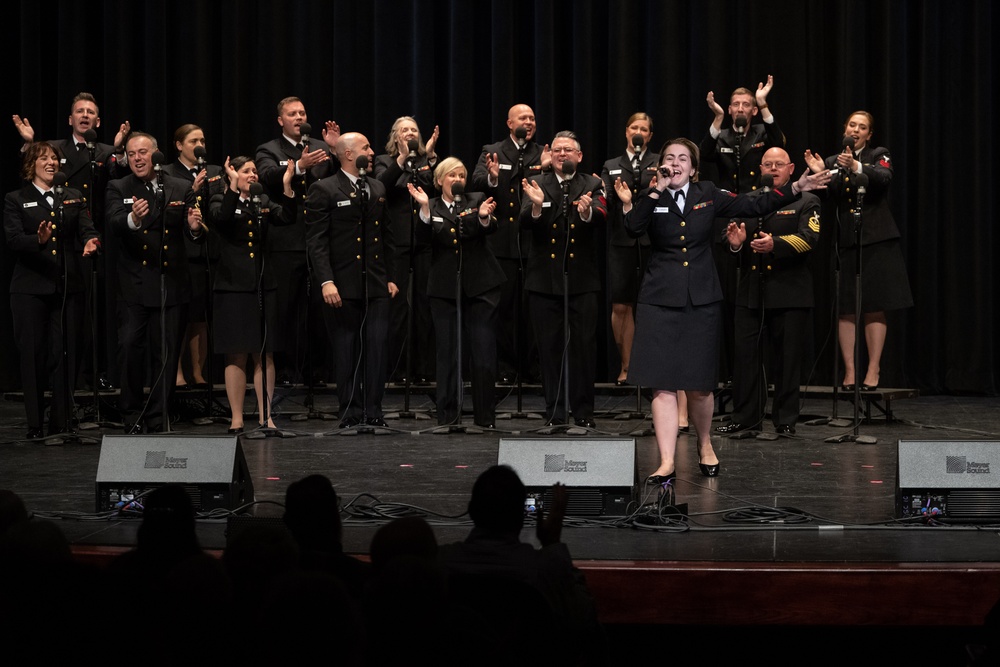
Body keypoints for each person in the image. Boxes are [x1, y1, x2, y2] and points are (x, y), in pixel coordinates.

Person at [618, 138, 829, 481]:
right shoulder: (650, 195)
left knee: (700, 386)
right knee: (661, 385)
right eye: (669, 158)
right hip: (659, 298)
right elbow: (632, 227)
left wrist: (796, 188)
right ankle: (667, 460)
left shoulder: (708, 193)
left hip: (701, 299)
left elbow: (752, 202)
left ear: (694, 167)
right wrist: (655, 190)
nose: (675, 163)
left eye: (682, 158)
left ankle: (704, 443)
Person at [13, 92, 131, 391]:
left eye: (91, 112)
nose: (85, 115)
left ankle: (96, 375)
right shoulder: (54, 148)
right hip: (59, 241)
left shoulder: (106, 151)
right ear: (70, 119)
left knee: (92, 314)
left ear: (98, 121)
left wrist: (119, 151)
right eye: (79, 111)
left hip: (94, 238)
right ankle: (68, 384)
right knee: (62, 319)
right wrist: (29, 143)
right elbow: (32, 168)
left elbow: (120, 177)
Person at [716, 147, 821, 437]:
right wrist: (735, 243)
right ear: (760, 168)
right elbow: (727, 239)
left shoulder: (806, 200)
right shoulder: (747, 200)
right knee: (746, 358)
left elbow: (810, 239)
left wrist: (777, 245)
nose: (773, 169)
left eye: (779, 164)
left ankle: (785, 419)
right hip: (751, 290)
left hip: (790, 291)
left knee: (787, 360)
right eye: (768, 164)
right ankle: (746, 417)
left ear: (790, 169)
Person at [805, 111, 913, 391]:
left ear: (869, 134)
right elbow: (825, 197)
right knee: (846, 308)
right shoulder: (832, 161)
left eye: (862, 127)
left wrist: (856, 165)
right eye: (852, 125)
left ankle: (873, 370)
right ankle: (850, 373)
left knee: (874, 306)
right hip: (846, 241)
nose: (856, 130)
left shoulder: (879, 153)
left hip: (877, 238)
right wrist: (820, 174)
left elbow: (883, 179)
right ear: (845, 128)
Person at [106, 132, 203, 432]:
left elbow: (192, 233)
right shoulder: (118, 186)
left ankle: (159, 416)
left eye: (143, 152)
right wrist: (133, 220)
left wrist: (193, 228)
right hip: (134, 284)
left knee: (167, 354)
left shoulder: (180, 186)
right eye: (132, 153)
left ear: (156, 155)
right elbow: (113, 221)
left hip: (170, 283)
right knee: (130, 348)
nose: (137, 158)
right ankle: (132, 414)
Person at [4, 142, 100, 441]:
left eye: (55, 158)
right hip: (30, 289)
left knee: (66, 353)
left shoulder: (73, 196)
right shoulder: (16, 198)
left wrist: (91, 241)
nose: (51, 163)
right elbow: (14, 240)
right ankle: (35, 424)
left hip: (67, 287)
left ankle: (62, 421)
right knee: (33, 354)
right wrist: (39, 239)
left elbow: (88, 228)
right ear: (30, 165)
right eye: (44, 158)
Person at [305, 133, 399, 428]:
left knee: (376, 348)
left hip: (375, 283)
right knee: (346, 348)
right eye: (366, 147)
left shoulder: (377, 186)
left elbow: (388, 237)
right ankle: (349, 410)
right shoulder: (325, 189)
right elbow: (317, 242)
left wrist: (392, 277)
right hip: (342, 284)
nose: (372, 152)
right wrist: (326, 281)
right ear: (347, 154)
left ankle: (374, 410)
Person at [520, 131, 606, 428]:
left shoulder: (592, 183)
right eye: (557, 150)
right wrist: (535, 206)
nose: (562, 154)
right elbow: (522, 222)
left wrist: (586, 214)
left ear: (579, 156)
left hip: (582, 280)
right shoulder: (537, 183)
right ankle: (555, 412)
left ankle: (584, 412)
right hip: (544, 280)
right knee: (549, 348)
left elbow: (603, 214)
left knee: (584, 347)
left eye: (568, 150)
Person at [407, 157, 501, 428]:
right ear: (439, 180)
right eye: (452, 175)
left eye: (461, 175)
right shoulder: (431, 205)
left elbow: (490, 227)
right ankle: (447, 416)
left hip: (482, 286)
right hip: (445, 289)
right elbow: (423, 242)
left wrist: (482, 218)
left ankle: (486, 418)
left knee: (483, 353)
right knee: (447, 353)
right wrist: (424, 211)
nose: (458, 180)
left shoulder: (477, 199)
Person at [255, 97, 340, 387]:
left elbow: (338, 178)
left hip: (320, 238)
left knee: (319, 308)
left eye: (302, 112)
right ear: (281, 120)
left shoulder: (320, 146)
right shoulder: (269, 149)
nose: (298, 117)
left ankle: (317, 370)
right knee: (288, 309)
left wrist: (335, 149)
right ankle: (288, 370)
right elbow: (266, 177)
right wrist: (299, 167)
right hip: (286, 240)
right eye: (292, 114)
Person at [210, 155, 295, 434]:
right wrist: (233, 187)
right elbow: (222, 220)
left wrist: (287, 187)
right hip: (232, 286)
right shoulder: (219, 198)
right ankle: (236, 417)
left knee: (264, 351)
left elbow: (287, 217)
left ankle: (265, 416)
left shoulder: (264, 201)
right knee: (236, 352)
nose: (253, 175)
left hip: (262, 285)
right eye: (246, 171)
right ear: (232, 174)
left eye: (255, 171)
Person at [471, 104, 550, 383]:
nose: (528, 122)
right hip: (502, 242)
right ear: (509, 123)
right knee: (503, 309)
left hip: (534, 242)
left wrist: (548, 168)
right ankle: (505, 367)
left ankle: (533, 367)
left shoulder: (543, 152)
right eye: (523, 118)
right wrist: (494, 175)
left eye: (532, 118)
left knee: (533, 310)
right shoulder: (493, 149)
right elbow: (477, 180)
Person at [374, 117, 439, 384]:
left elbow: (437, 188)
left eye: (414, 129)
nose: (410, 133)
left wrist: (432, 159)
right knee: (398, 307)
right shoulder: (384, 160)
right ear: (395, 136)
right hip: (396, 242)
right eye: (405, 130)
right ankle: (397, 370)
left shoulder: (427, 160)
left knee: (424, 305)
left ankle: (424, 370)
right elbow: (381, 186)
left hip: (424, 241)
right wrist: (401, 160)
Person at [163, 124, 225, 390]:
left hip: (207, 251)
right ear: (179, 145)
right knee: (179, 317)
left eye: (202, 140)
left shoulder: (214, 172)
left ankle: (198, 372)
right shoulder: (167, 172)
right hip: (181, 253)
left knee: (200, 315)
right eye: (193, 141)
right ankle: (176, 374)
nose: (200, 145)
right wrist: (192, 189)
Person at [601, 112, 658, 385]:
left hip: (651, 241)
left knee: (649, 305)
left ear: (649, 135)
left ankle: (650, 366)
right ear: (626, 132)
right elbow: (607, 200)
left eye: (644, 129)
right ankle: (626, 365)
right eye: (634, 127)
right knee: (621, 305)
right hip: (621, 241)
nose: (638, 132)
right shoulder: (612, 164)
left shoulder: (658, 162)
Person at [699, 76, 785, 193]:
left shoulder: (761, 132)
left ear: (754, 111)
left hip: (756, 199)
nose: (740, 109)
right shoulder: (720, 136)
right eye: (736, 104)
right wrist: (718, 117)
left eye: (746, 104)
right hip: (729, 202)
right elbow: (704, 154)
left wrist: (762, 103)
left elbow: (778, 143)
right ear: (730, 110)